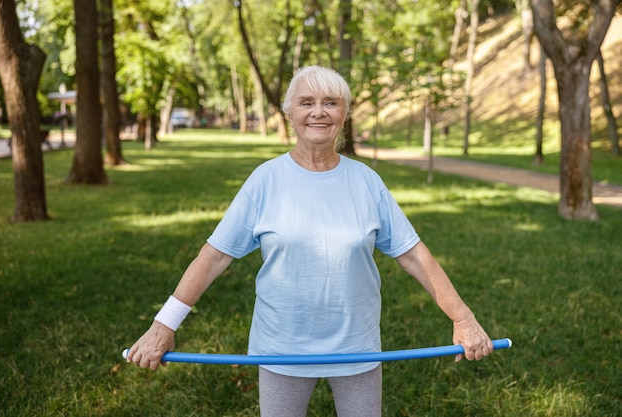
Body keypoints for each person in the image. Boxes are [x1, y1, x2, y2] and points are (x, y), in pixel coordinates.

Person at [126, 65, 494, 417]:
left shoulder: (366, 182)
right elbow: (214, 257)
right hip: (281, 348)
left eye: (330, 103)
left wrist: (463, 318)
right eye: (307, 102)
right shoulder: (265, 180)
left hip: (356, 346)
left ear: (344, 114)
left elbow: (413, 255)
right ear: (289, 113)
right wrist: (164, 325)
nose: (319, 112)